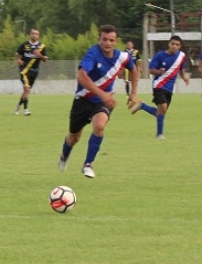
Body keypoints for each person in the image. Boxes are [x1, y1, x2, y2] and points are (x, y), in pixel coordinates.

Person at [58, 24, 138, 179]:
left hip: (102, 102)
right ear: (99, 39)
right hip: (82, 100)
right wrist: (102, 94)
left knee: (100, 126)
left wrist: (133, 93)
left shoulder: (122, 57)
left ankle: (88, 164)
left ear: (116, 41)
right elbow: (81, 76)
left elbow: (133, 69)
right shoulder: (92, 54)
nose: (107, 43)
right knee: (74, 138)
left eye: (111, 40)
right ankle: (64, 155)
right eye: (104, 39)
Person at [130, 34, 189, 139]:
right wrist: (159, 72)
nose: (174, 46)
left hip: (170, 88)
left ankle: (143, 106)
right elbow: (151, 69)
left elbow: (181, 69)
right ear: (169, 44)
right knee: (163, 107)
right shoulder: (160, 55)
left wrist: (185, 77)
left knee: (161, 112)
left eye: (177, 45)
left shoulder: (181, 56)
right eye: (173, 44)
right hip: (159, 85)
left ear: (179, 46)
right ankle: (159, 134)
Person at [14, 28, 48, 115]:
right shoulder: (25, 45)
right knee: (27, 88)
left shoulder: (42, 46)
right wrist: (18, 60)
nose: (34, 35)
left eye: (36, 34)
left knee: (27, 91)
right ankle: (26, 110)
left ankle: (19, 105)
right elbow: (16, 54)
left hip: (34, 72)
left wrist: (39, 54)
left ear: (38, 36)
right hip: (24, 71)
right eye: (33, 33)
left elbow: (45, 60)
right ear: (30, 34)